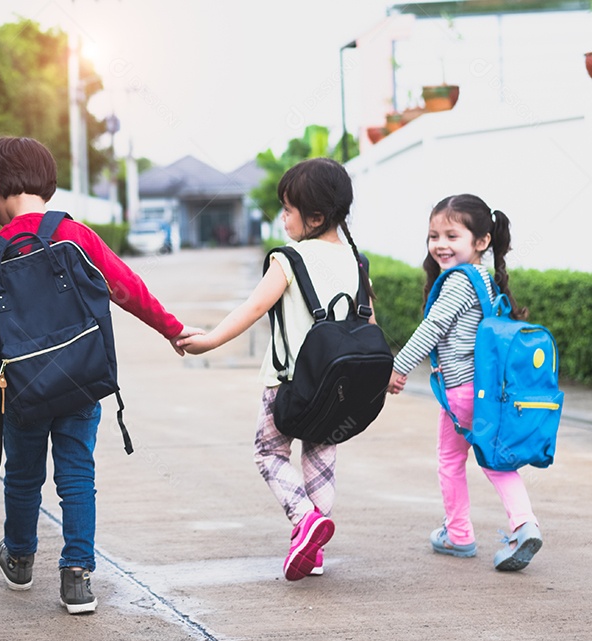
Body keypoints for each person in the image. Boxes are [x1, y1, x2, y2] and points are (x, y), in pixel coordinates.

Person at [0, 136, 199, 613]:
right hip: (79, 377)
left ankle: (21, 560)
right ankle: (77, 575)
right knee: (76, 472)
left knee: (24, 474)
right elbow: (126, 288)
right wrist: (171, 329)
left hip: (21, 389)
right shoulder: (75, 234)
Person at [177, 157, 373, 581]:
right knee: (321, 459)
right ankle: (315, 550)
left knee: (270, 453)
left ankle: (305, 520)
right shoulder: (357, 262)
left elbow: (253, 308)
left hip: (288, 385)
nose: (283, 218)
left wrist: (209, 341)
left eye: (288, 210)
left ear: (315, 216)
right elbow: (368, 324)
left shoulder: (288, 259)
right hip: (338, 386)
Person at [387, 194, 542, 571]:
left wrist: (398, 366)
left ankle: (459, 533)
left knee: (451, 460)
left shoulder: (458, 283)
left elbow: (433, 327)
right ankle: (524, 524)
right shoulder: (485, 280)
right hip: (487, 392)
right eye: (433, 236)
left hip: (461, 393)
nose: (440, 244)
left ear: (481, 241)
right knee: (497, 462)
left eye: (451, 236)